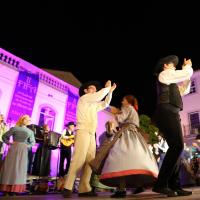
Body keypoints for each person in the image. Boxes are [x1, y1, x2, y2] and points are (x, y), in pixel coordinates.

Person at [62, 80, 116, 198]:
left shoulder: (93, 104)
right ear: (86, 91)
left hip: (91, 133)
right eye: (92, 88)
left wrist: (110, 92)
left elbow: (105, 104)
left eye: (95, 89)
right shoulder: (85, 98)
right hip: (82, 131)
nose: (94, 90)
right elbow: (98, 96)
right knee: (78, 159)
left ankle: (84, 188)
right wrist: (106, 88)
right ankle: (67, 187)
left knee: (90, 161)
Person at [99, 95, 159, 198]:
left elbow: (121, 119)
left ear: (128, 102)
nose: (122, 101)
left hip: (127, 134)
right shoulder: (134, 110)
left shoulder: (127, 108)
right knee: (135, 160)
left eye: (123, 100)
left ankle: (121, 189)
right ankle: (140, 185)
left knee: (120, 159)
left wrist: (115, 114)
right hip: (135, 135)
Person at [152, 55, 193, 197]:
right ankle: (161, 184)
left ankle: (174, 185)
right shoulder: (164, 75)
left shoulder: (171, 83)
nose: (174, 66)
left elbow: (185, 90)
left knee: (177, 148)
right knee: (177, 146)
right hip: (166, 112)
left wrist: (186, 74)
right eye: (172, 64)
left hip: (172, 113)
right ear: (165, 66)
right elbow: (186, 73)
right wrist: (186, 67)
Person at [0, 114, 35, 196]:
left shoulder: (30, 131)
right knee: (10, 167)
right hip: (14, 149)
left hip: (23, 150)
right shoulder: (14, 128)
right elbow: (4, 136)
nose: (27, 121)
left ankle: (15, 189)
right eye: (26, 119)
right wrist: (9, 143)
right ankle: (6, 188)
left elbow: (33, 142)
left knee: (20, 168)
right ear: (22, 120)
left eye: (28, 120)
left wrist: (27, 145)